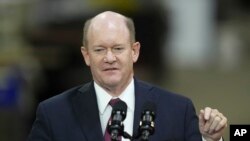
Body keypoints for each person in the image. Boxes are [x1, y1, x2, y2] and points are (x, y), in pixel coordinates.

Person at [27, 11, 227, 141]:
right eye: (99, 50)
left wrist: (210, 140)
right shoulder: (53, 114)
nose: (110, 58)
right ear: (86, 55)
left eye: (118, 48)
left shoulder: (177, 111)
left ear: (135, 51)